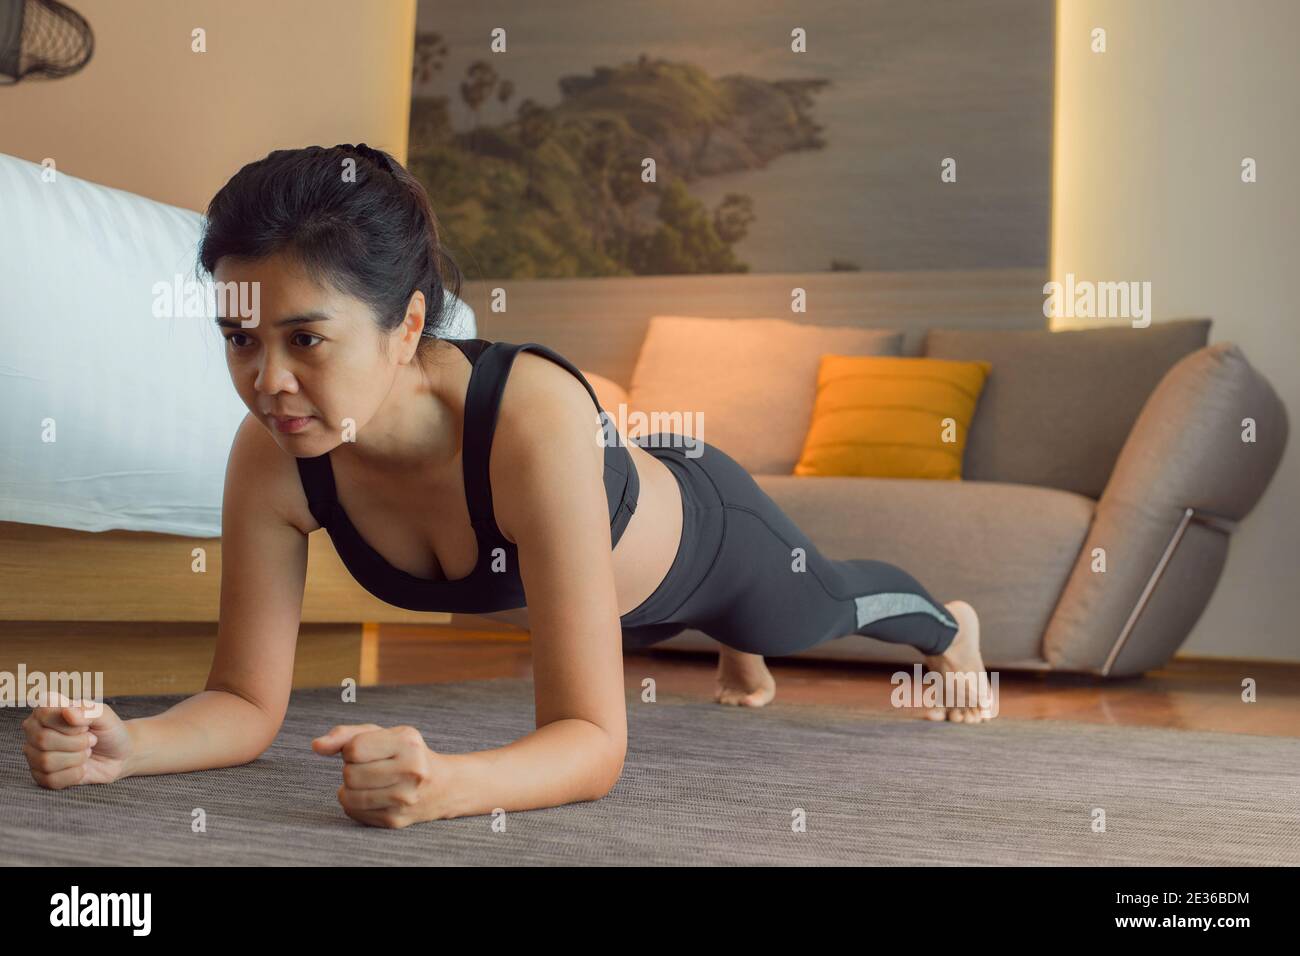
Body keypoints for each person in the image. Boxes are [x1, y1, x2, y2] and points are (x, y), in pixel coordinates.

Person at [20, 144, 994, 827]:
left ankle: (945, 625)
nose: (265, 379)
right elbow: (242, 698)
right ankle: (740, 659)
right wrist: (129, 745)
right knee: (670, 635)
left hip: (706, 540)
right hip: (604, 590)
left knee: (806, 610)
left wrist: (447, 781)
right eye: (240, 339)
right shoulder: (274, 450)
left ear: (407, 325)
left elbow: (591, 741)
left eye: (305, 338)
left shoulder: (528, 415)